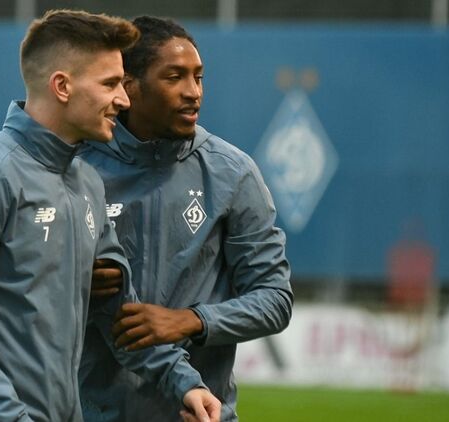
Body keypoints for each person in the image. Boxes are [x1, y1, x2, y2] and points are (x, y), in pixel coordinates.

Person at [0, 10, 221, 422]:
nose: (124, 99)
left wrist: (184, 382)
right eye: (110, 84)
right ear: (62, 86)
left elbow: (119, 314)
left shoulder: (86, 184)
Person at [79, 16, 293, 421]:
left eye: (199, 77)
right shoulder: (77, 169)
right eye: (174, 77)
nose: (193, 92)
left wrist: (192, 320)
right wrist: (71, 280)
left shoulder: (232, 173)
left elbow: (275, 299)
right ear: (129, 86)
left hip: (199, 413)